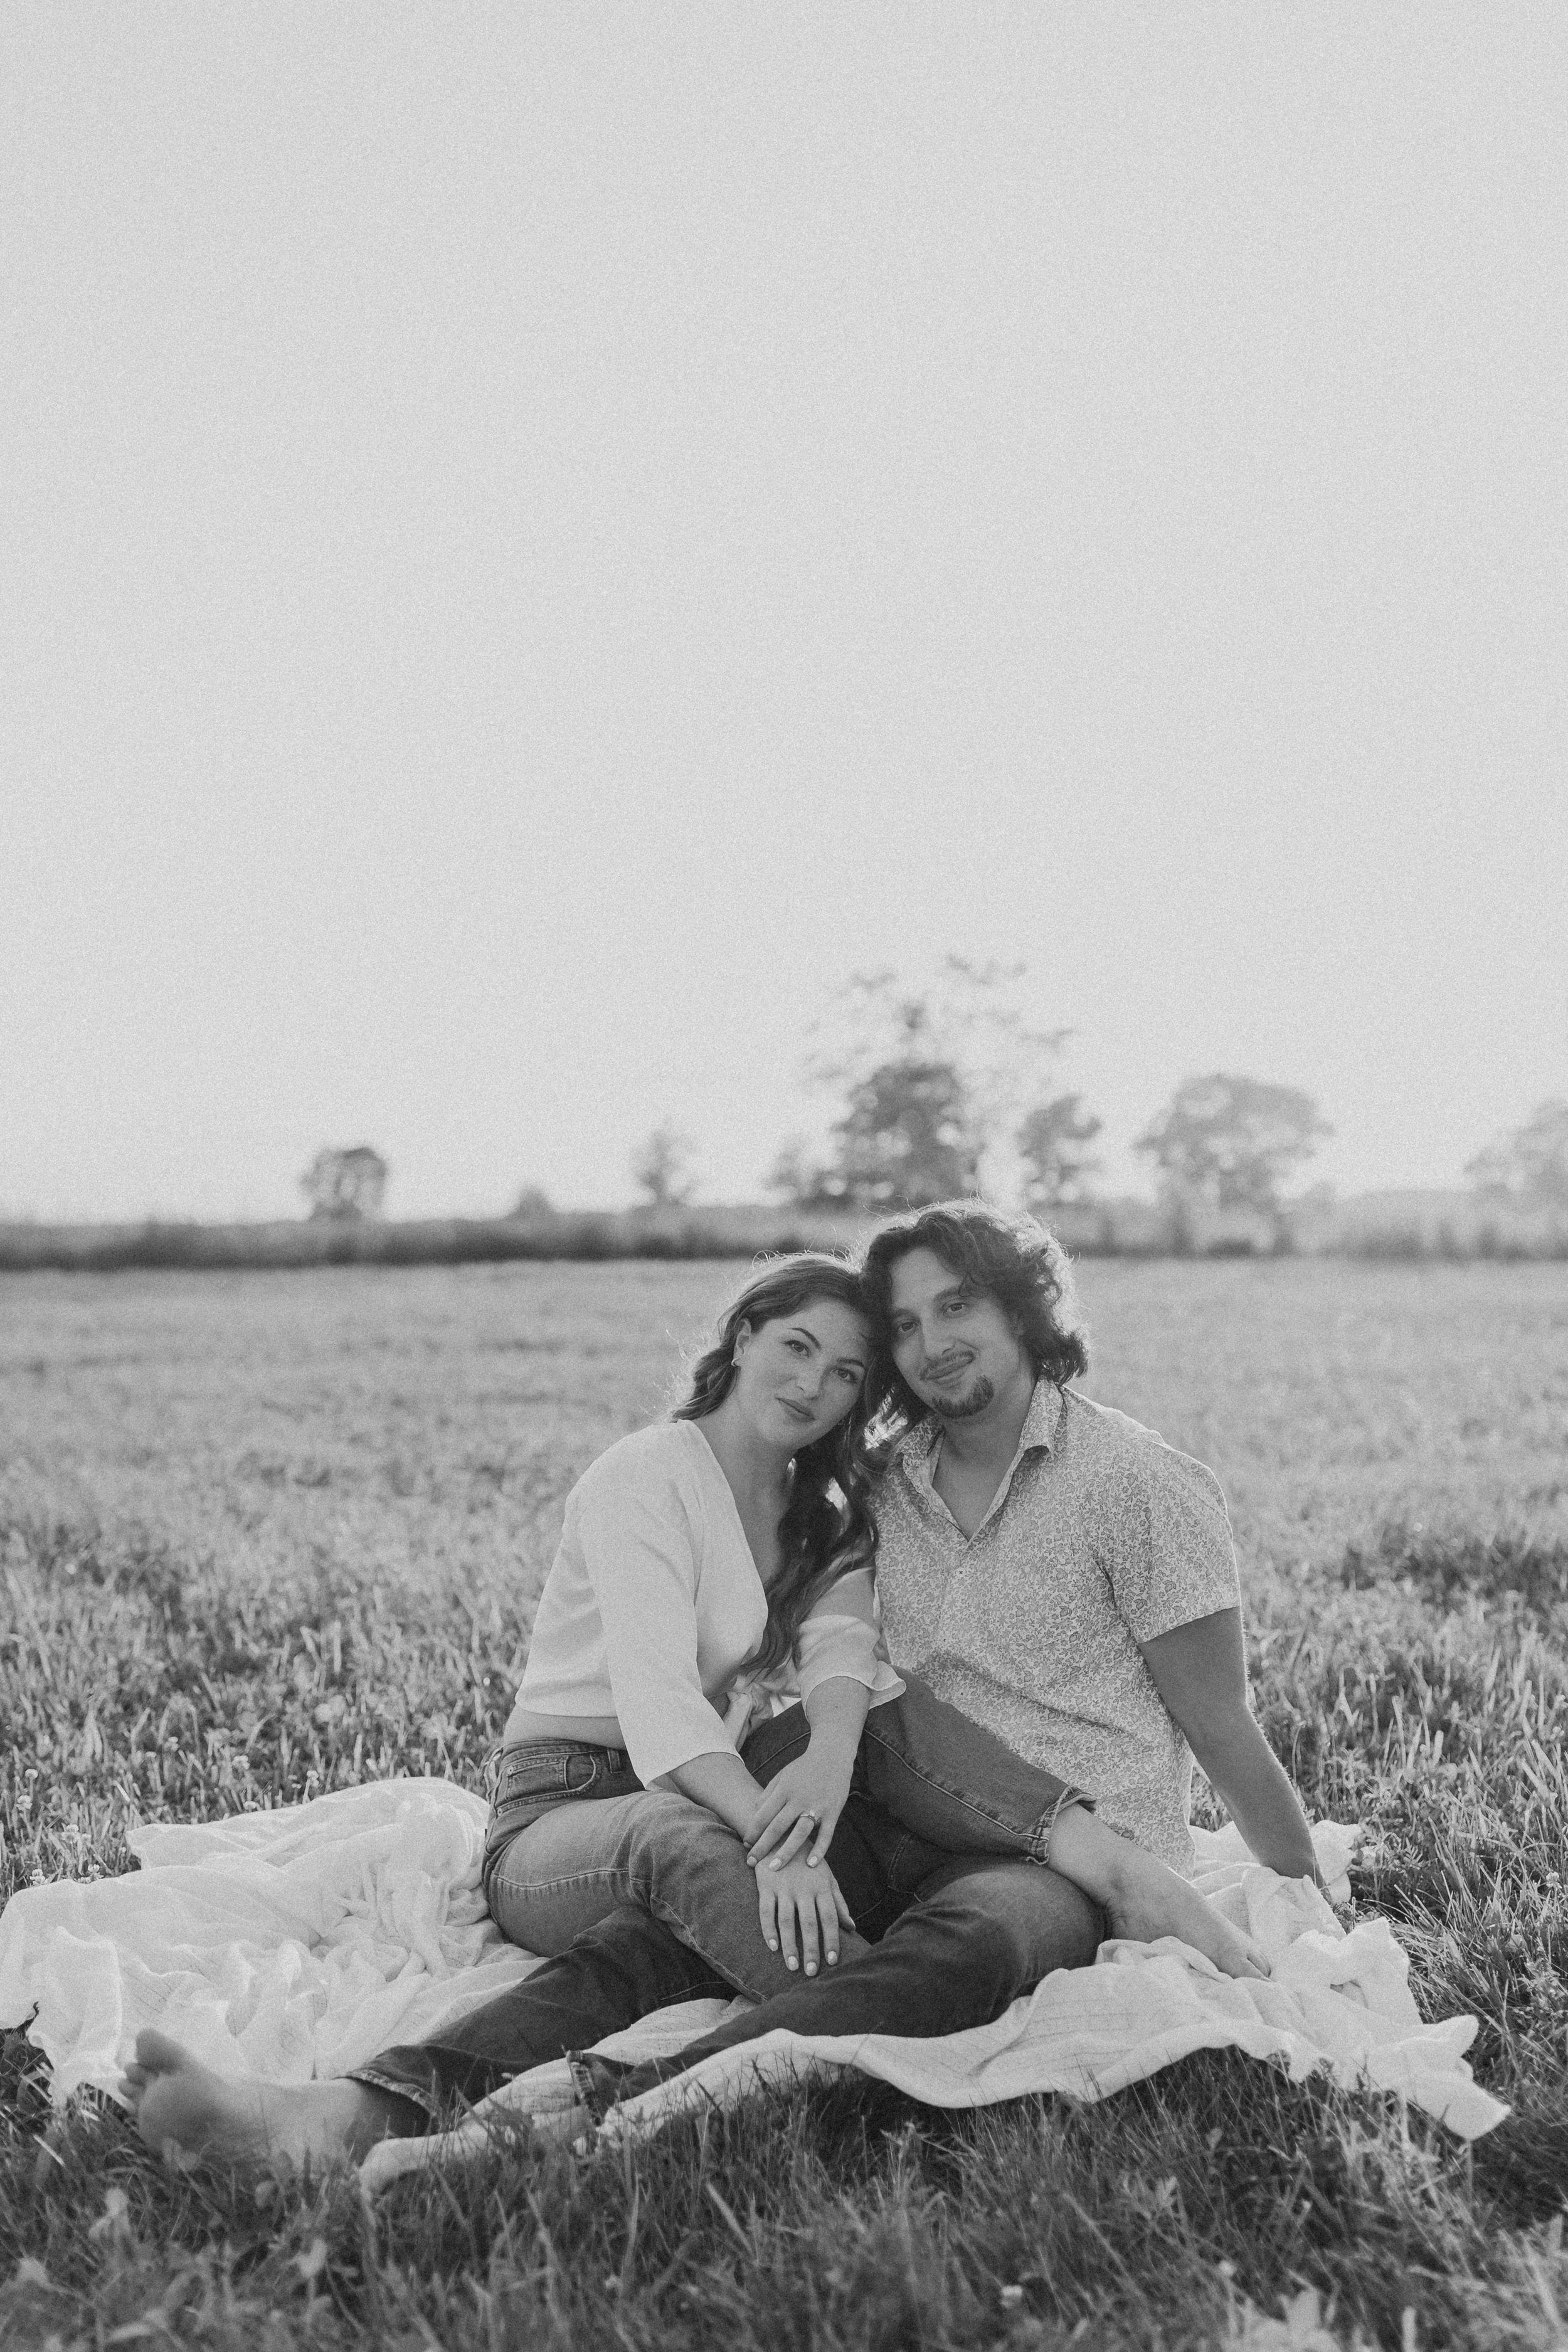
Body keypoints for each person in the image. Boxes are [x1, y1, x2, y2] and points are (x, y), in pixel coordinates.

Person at [124, 1244, 1268, 2168]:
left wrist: (819, 1766)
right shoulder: (645, 1475)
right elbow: (666, 1715)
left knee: (659, 1934)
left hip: (710, 1798)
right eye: (797, 1346)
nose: (815, 1382)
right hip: (575, 1803)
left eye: (844, 1372)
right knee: (720, 1867)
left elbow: (845, 1660)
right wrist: (782, 1840)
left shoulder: (828, 1506)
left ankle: (465, 2113)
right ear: (741, 1340)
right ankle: (879, 2011)